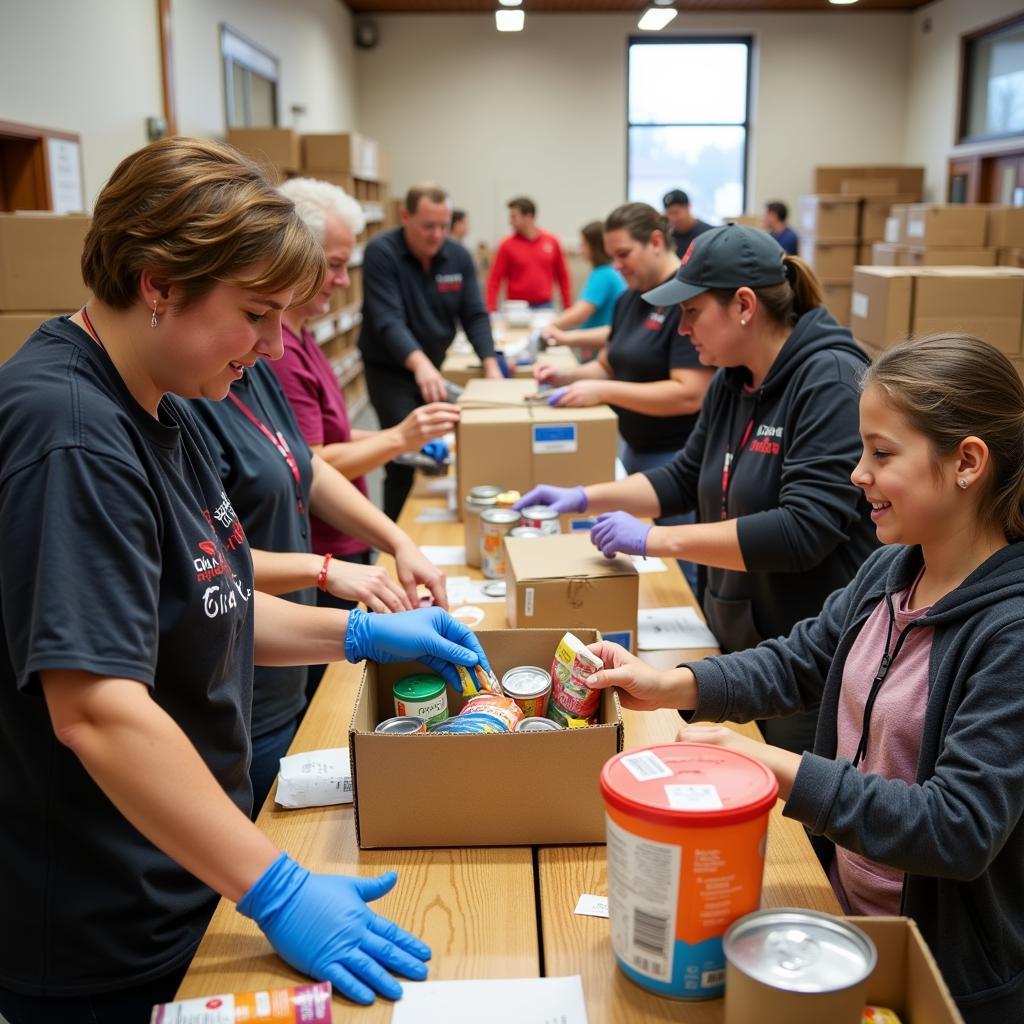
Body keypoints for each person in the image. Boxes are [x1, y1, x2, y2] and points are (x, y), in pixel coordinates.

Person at [0, 137, 492, 1022]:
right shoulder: (69, 431)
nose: (272, 346)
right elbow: (96, 711)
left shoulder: (163, 397)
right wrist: (277, 889)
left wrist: (358, 632)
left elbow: (208, 597)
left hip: (190, 872)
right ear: (159, 284)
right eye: (256, 314)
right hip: (106, 920)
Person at [584, 334, 1024, 1024]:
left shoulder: (1009, 633)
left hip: (936, 972)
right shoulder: (893, 569)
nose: (857, 473)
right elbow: (801, 658)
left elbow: (957, 827)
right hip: (838, 914)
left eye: (882, 454)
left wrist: (773, 766)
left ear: (968, 462)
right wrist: (675, 684)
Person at [517, 224, 877, 754]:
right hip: (738, 639)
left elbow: (804, 531)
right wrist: (584, 497)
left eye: (692, 311)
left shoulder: (829, 380)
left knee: (793, 826)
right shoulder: (733, 377)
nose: (682, 330)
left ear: (745, 305)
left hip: (804, 661)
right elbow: (686, 477)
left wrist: (655, 541)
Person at [528, 203, 714, 589]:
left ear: (656, 242)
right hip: (636, 453)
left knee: (680, 575)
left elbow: (688, 394)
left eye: (624, 254)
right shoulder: (631, 298)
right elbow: (609, 364)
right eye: (612, 256)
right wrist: (567, 375)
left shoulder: (683, 299)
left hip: (678, 460)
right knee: (644, 568)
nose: (617, 265)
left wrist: (602, 390)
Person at [358, 182, 502, 520]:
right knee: (403, 454)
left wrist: (491, 364)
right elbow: (387, 320)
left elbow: (474, 314)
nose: (437, 235)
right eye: (428, 226)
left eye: (444, 225)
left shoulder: (458, 256)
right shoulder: (382, 252)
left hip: (432, 365)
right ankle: (395, 536)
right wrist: (420, 365)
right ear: (405, 216)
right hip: (391, 370)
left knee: (439, 448)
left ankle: (433, 523)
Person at [539, 220, 626, 356]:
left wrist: (548, 327)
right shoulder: (606, 272)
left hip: (599, 348)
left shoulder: (602, 275)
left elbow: (580, 313)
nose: (580, 249)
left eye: (583, 244)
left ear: (595, 246)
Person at [485, 196, 572, 313]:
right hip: (516, 307)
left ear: (529, 217)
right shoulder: (506, 245)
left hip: (545, 306)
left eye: (514, 217)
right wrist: (491, 309)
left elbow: (563, 276)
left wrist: (567, 306)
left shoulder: (551, 241)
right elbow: (494, 279)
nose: (510, 222)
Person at [662, 188, 712, 259]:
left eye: (676, 212)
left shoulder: (709, 234)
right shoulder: (668, 239)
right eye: (669, 214)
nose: (673, 219)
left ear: (688, 207)